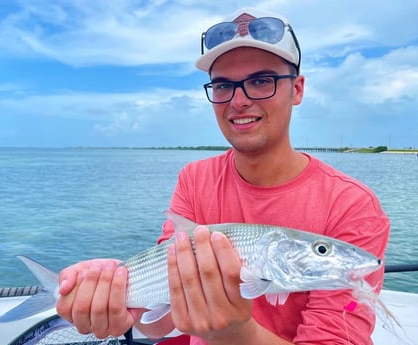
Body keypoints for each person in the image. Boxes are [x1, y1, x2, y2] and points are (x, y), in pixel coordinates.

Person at [56, 7, 390, 345]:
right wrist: (115, 297)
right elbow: (161, 322)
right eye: (223, 85)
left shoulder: (352, 206)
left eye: (262, 81)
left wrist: (235, 333)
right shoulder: (195, 178)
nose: (239, 100)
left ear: (298, 89)